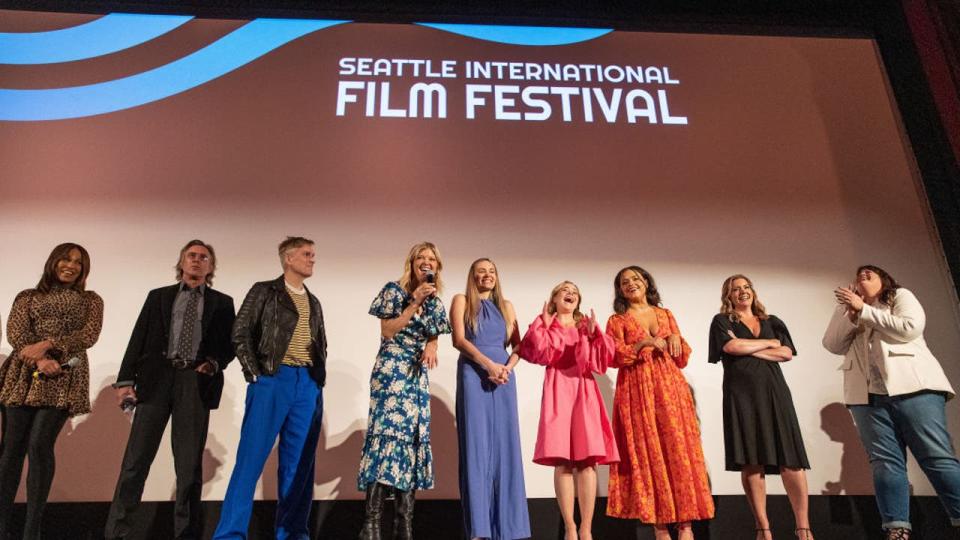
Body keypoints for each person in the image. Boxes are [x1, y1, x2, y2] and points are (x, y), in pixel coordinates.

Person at [104, 240, 236, 540]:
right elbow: (138, 336)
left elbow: (230, 344)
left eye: (204, 257)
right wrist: (125, 380)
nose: (197, 261)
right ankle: (117, 532)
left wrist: (213, 364)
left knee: (189, 466)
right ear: (181, 262)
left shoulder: (222, 302)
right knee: (135, 461)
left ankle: (186, 534)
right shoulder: (159, 297)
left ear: (210, 267)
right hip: (156, 381)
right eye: (192, 256)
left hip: (194, 381)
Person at [822, 265, 960, 540]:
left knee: (936, 457)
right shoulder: (849, 309)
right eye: (858, 276)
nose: (861, 277)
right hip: (867, 397)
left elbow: (909, 328)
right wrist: (850, 315)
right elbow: (832, 344)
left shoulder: (899, 297)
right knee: (885, 463)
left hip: (915, 389)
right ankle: (897, 528)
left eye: (869, 274)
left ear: (884, 281)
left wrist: (864, 310)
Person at [213, 237, 327, 540]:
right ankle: (230, 534)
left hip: (307, 384)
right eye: (306, 254)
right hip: (273, 379)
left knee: (299, 466)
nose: (312, 259)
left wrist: (317, 382)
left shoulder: (313, 301)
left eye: (313, 255)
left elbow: (320, 343)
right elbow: (240, 332)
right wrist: (255, 373)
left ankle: (291, 533)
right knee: (250, 460)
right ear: (288, 258)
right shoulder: (265, 291)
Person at [0, 243, 103, 540]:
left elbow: (88, 334)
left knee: (39, 446)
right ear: (53, 261)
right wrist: (39, 359)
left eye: (78, 262)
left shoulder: (91, 300)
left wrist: (47, 346)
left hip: (64, 375)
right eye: (66, 259)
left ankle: (32, 530)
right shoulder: (27, 296)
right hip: (23, 376)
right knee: (11, 451)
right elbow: (17, 333)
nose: (71, 265)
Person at [605, 266, 713, 540]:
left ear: (646, 283)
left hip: (671, 390)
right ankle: (660, 527)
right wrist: (642, 344)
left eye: (635, 279)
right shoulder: (617, 320)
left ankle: (686, 525)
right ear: (620, 290)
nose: (631, 284)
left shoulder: (666, 314)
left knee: (679, 451)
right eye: (624, 282)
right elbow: (613, 357)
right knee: (648, 453)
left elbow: (681, 358)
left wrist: (676, 338)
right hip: (638, 392)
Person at [357, 241, 451, 540]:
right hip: (391, 373)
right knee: (386, 439)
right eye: (421, 258)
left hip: (415, 377)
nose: (427, 262)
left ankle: (404, 525)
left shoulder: (435, 301)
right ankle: (371, 525)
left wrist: (433, 343)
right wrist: (413, 301)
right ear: (411, 263)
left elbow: (434, 333)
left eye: (432, 259)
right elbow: (387, 330)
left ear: (437, 267)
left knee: (410, 443)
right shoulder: (394, 291)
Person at [708, 275, 812, 540]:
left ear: (753, 291)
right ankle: (763, 529)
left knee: (791, 458)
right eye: (736, 289)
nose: (742, 292)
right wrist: (768, 344)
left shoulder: (772, 321)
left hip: (775, 393)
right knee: (752, 460)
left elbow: (786, 353)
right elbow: (730, 346)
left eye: (746, 287)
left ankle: (803, 527)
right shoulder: (722, 322)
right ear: (728, 296)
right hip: (741, 395)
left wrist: (749, 348)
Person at [519, 280, 618, 540]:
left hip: (584, 391)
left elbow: (603, 361)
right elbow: (535, 352)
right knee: (562, 461)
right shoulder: (545, 324)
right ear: (554, 298)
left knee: (587, 462)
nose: (570, 294)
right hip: (558, 390)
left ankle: (586, 528)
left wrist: (596, 334)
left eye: (574, 292)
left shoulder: (585, 326)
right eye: (565, 290)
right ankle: (570, 528)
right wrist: (542, 322)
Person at [450, 258, 530, 540]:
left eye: (492, 271)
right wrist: (488, 365)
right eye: (481, 271)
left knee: (506, 446)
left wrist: (506, 368)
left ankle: (510, 528)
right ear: (473, 276)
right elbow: (458, 340)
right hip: (474, 372)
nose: (487, 275)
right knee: (477, 447)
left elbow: (520, 345)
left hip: (503, 377)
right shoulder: (461, 300)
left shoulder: (506, 306)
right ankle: (480, 529)